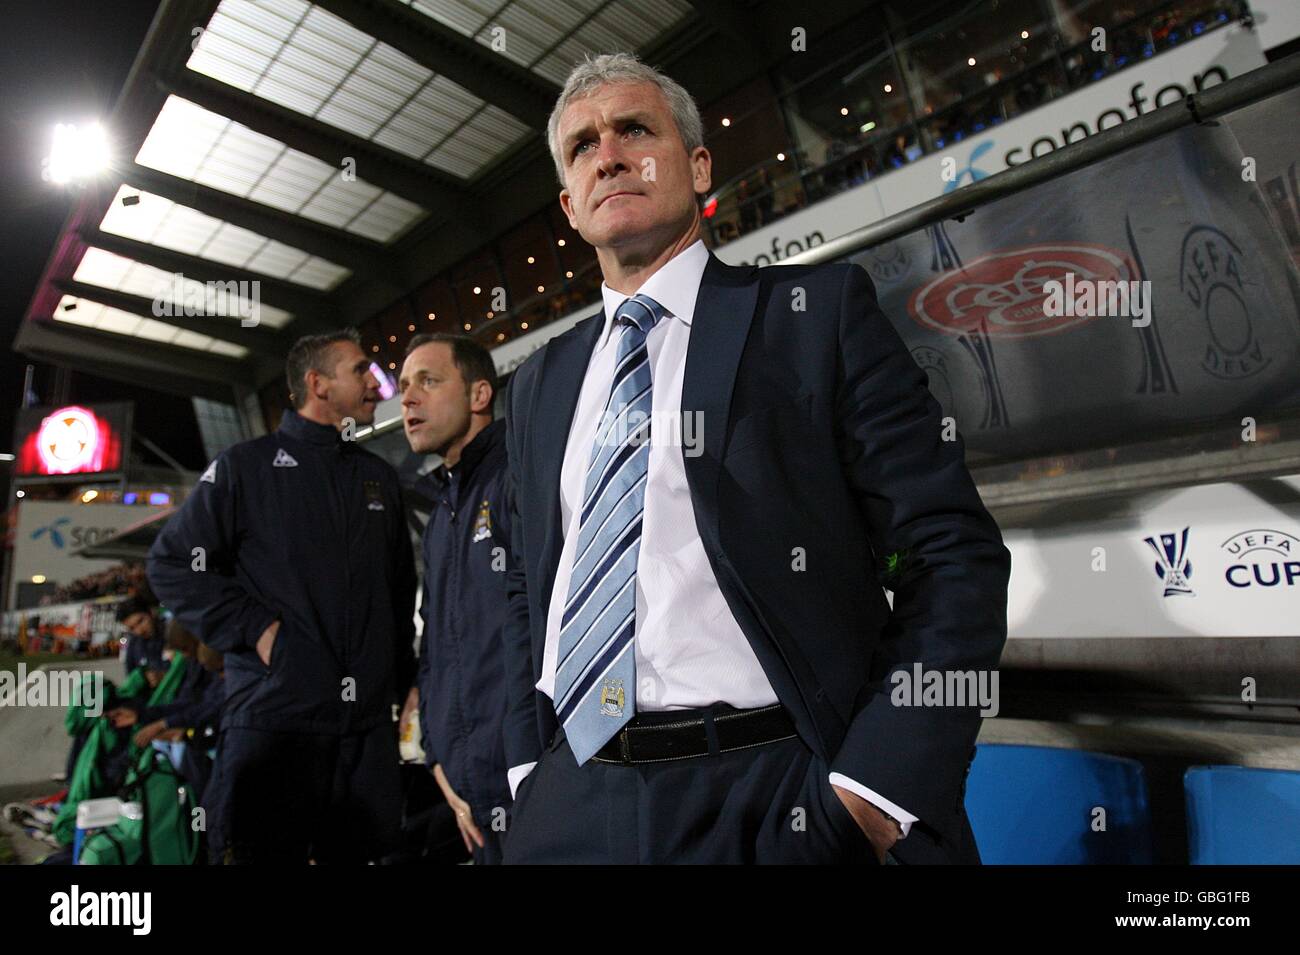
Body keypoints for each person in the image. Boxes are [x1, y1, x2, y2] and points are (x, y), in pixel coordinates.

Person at [499, 53, 1010, 864]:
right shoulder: (538, 384)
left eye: (635, 129)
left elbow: (951, 552)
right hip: (574, 807)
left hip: (778, 793)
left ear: (697, 164)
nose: (610, 154)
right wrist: (529, 767)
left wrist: (872, 793)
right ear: (570, 203)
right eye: (583, 146)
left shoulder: (813, 317)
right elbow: (526, 592)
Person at [146, 328, 417, 864]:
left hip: (364, 737)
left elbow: (397, 592)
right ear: (317, 385)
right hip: (276, 728)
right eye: (360, 370)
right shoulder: (244, 468)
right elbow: (170, 563)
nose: (375, 381)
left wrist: (403, 681)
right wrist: (258, 631)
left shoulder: (377, 478)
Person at [397, 333, 512, 864]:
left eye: (428, 380)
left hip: (533, 781)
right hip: (467, 790)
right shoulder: (440, 512)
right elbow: (436, 647)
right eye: (403, 386)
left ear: (479, 395)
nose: (408, 399)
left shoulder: (521, 475)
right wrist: (440, 759)